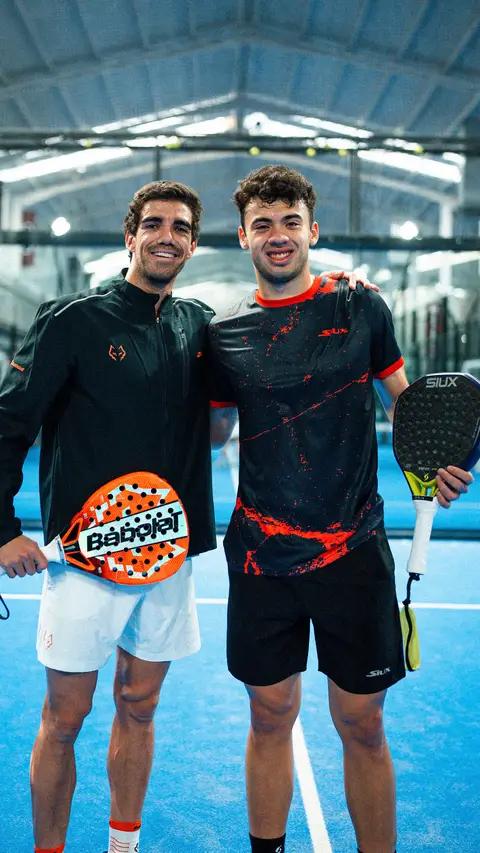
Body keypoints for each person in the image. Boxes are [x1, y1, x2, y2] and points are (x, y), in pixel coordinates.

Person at [0, 178, 367, 853]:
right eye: (154, 224)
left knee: (140, 705)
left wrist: (337, 297)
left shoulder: (199, 324)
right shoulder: (71, 319)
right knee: (65, 717)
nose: (166, 237)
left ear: (194, 244)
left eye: (180, 228)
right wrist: (2, 531)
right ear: (130, 236)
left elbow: (265, 361)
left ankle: (123, 845)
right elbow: (8, 423)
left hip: (167, 555)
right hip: (85, 556)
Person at [208, 165, 474, 853]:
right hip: (261, 557)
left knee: (362, 722)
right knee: (270, 715)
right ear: (243, 236)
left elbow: (405, 406)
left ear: (312, 230)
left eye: (290, 221)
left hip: (353, 552)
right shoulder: (224, 332)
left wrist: (438, 461)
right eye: (263, 224)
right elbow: (211, 432)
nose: (278, 235)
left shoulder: (361, 308)